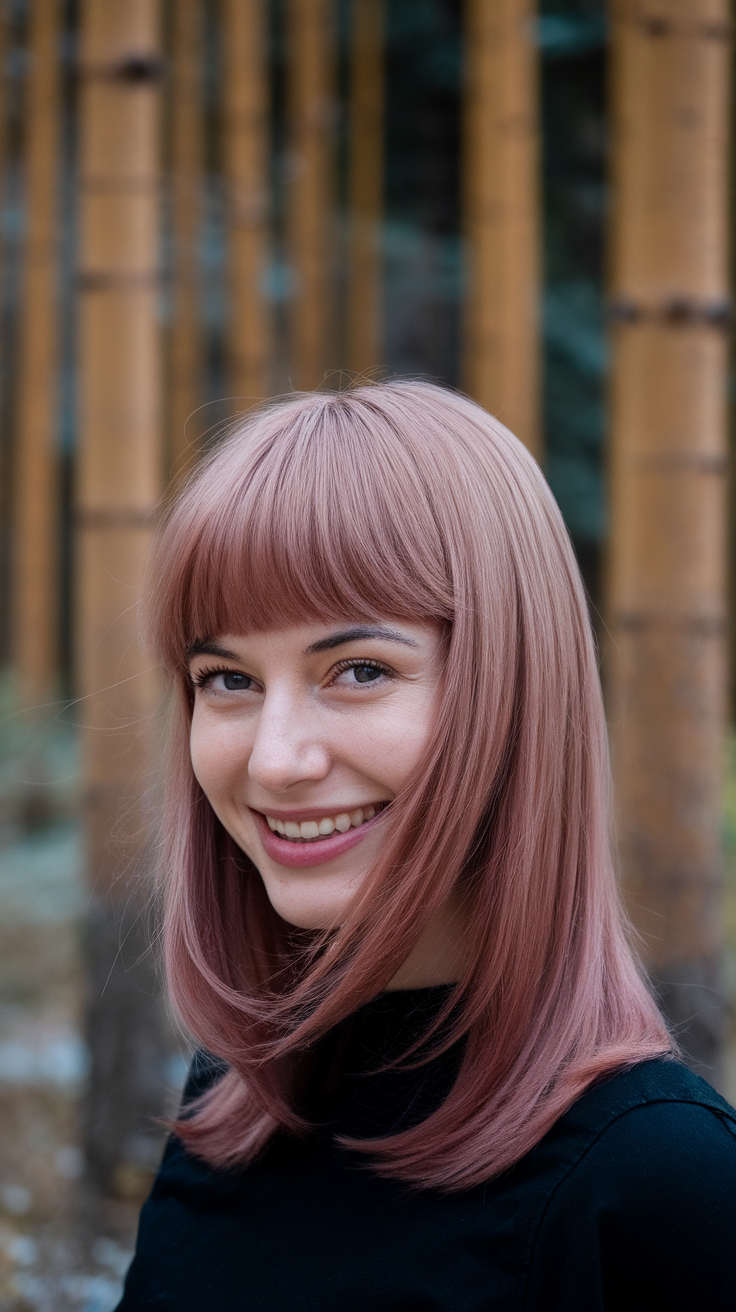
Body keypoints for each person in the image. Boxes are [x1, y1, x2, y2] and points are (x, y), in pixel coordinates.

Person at [117, 382, 736, 1312]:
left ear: (511, 693)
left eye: (358, 670)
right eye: (228, 679)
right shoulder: (231, 1107)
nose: (276, 760)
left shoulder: (659, 1181)